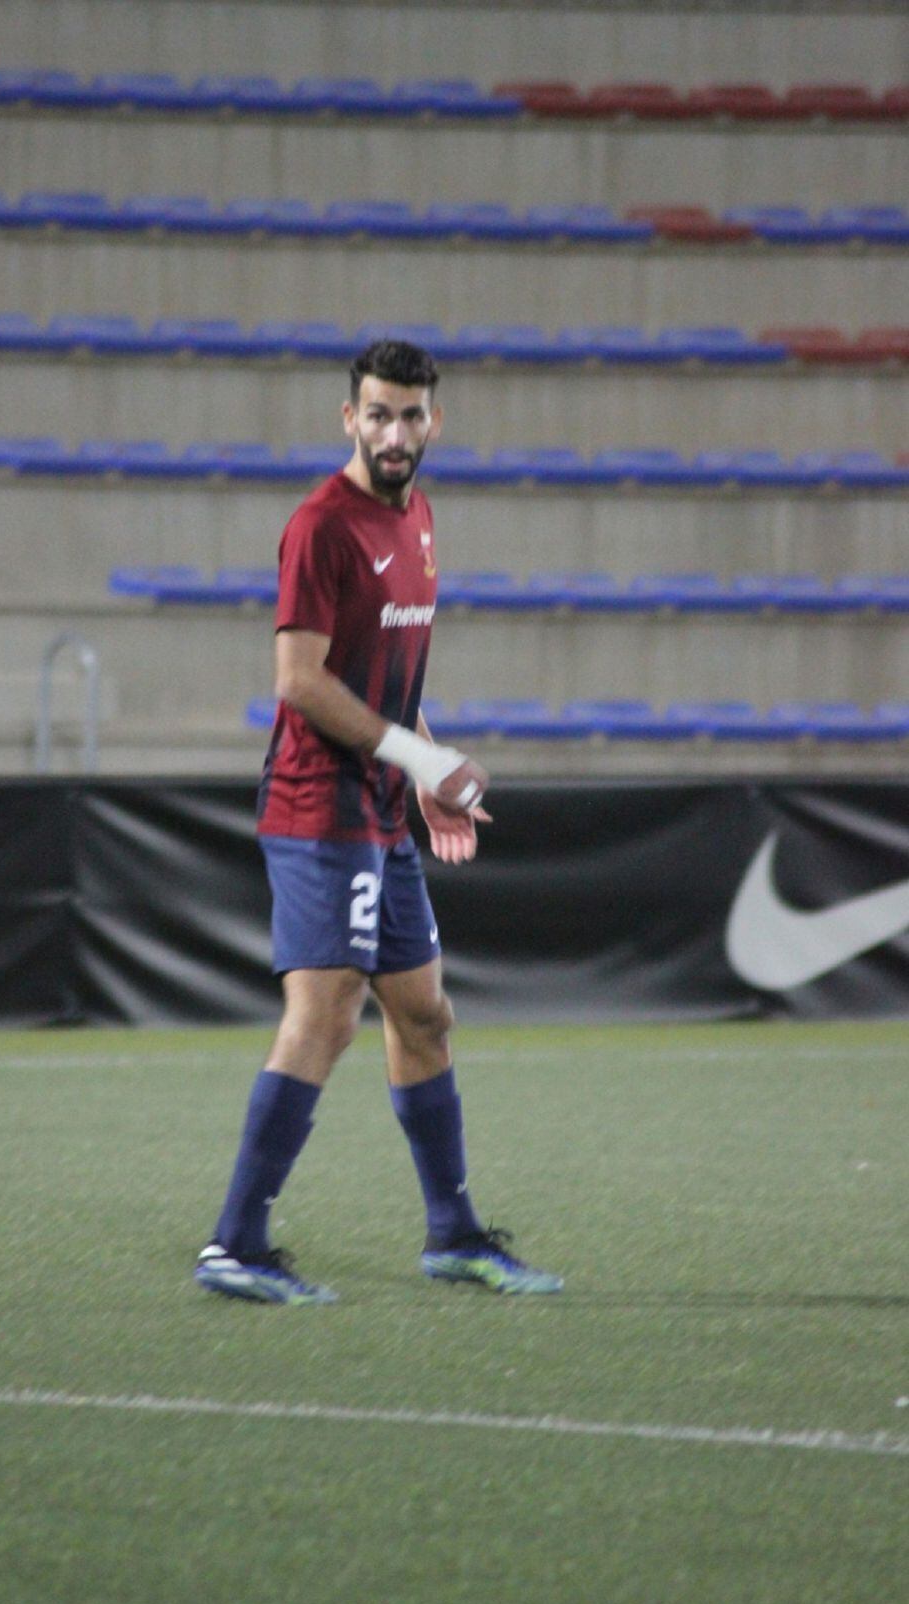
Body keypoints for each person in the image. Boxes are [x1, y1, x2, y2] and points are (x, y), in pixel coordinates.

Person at [195, 338, 562, 1304]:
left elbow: (387, 679)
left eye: (410, 416)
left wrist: (425, 769)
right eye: (377, 414)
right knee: (326, 1015)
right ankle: (235, 1245)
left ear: (434, 421)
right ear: (348, 419)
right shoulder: (321, 526)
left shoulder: (420, 518)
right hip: (319, 805)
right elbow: (300, 680)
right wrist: (420, 760)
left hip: (381, 810)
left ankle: (454, 1235)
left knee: (425, 1014)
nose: (394, 433)